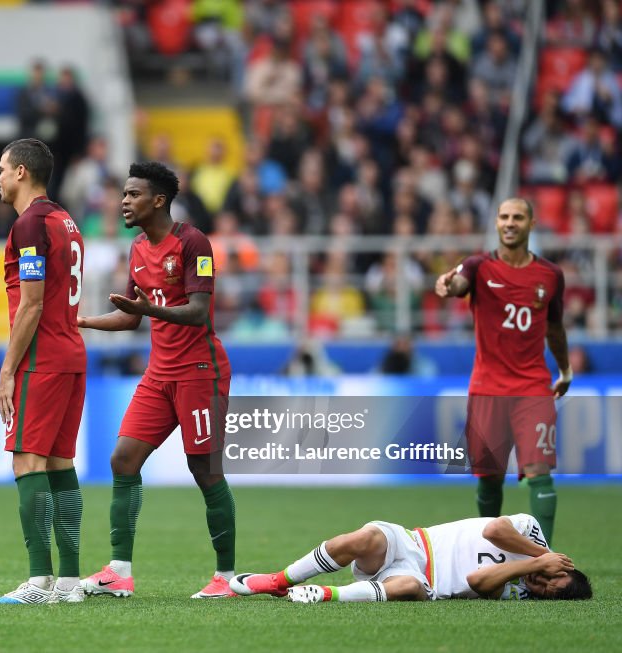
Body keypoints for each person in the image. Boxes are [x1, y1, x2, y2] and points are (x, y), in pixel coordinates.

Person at [78, 162, 236, 600]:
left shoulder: (193, 243)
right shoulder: (137, 249)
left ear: (158, 200)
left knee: (204, 470)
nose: (123, 201)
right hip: (159, 373)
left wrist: (150, 311)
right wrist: (82, 321)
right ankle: (118, 572)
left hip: (200, 371)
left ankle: (225, 578)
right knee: (122, 459)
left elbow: (199, 311)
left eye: (132, 194)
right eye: (124, 194)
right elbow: (132, 317)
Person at [435, 198, 571, 547]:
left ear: (531, 223)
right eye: (504, 217)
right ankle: (491, 552)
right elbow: (460, 286)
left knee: (540, 472)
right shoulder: (478, 266)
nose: (510, 223)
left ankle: (544, 560)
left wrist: (565, 368)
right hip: (487, 389)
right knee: (490, 477)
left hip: (533, 387)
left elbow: (554, 327)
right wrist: (449, 286)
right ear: (496, 223)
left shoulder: (550, 275)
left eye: (518, 217)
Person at [0, 138, 87, 605]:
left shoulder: (29, 224)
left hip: (42, 360)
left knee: (27, 462)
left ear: (23, 172)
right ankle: (69, 582)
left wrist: (7, 370)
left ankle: (38, 581)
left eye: (3, 169)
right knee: (60, 465)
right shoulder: (65, 221)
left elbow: (30, 303)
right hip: (71, 355)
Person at [229, 513, 591, 602]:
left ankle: (324, 594)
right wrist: (541, 555)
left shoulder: (520, 592)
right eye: (552, 575)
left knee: (406, 586)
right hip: (415, 543)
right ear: (563, 563)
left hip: (425, 583)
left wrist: (533, 567)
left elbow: (477, 581)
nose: (540, 582)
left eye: (546, 590)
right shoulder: (530, 532)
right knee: (363, 537)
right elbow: (494, 531)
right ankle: (279, 581)